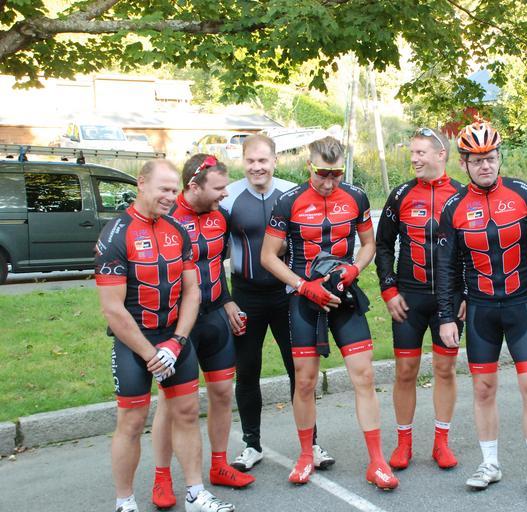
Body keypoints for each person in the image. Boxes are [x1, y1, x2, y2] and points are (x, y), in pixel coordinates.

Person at [95, 160, 234, 512]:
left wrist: (177, 342)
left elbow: (192, 291)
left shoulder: (177, 229)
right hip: (134, 343)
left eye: (174, 190)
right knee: (131, 421)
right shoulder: (116, 234)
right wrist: (150, 353)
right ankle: (125, 501)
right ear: (141, 184)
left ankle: (195, 493)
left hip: (174, 339)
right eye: (164, 189)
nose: (171, 197)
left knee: (187, 412)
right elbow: (112, 309)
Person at [261, 136, 398, 490]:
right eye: (322, 174)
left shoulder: (356, 197)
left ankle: (377, 461)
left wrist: (355, 268)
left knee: (364, 375)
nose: (329, 182)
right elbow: (268, 256)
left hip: (343, 295)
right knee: (305, 381)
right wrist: (302, 286)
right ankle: (306, 455)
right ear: (310, 166)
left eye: (336, 174)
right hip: (305, 298)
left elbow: (368, 244)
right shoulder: (288, 201)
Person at [436, 122, 527, 498]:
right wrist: (446, 315)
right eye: (477, 161)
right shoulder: (454, 207)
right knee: (484, 388)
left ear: (498, 158)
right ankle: (489, 463)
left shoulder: (522, 193)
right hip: (480, 309)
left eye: (491, 158)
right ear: (464, 164)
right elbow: (446, 267)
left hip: (521, 304)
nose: (486, 166)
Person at [219, 134, 333, 472]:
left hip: (287, 296)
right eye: (250, 161)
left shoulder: (291, 194)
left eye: (263, 160)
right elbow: (212, 255)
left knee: (300, 372)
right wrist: (226, 299)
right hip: (245, 295)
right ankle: (251, 445)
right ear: (243, 162)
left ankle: (311, 444)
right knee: (248, 371)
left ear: (274, 161)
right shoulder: (229, 198)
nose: (257, 167)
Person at [150, 155, 254, 510]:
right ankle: (162, 477)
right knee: (172, 403)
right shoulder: (167, 218)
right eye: (219, 188)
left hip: (213, 316)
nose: (226, 194)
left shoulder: (220, 216)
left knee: (223, 392)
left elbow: (216, 264)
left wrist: (227, 301)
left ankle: (220, 465)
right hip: (177, 323)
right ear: (194, 187)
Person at [375, 127, 465, 470]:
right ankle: (404, 444)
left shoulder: (461, 194)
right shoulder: (400, 194)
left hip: (449, 299)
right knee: (405, 370)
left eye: (420, 153)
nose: (413, 159)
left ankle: (441, 443)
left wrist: (467, 294)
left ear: (440, 155)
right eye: (412, 152)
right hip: (409, 298)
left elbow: (473, 249)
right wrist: (388, 289)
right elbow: (383, 245)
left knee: (445, 369)